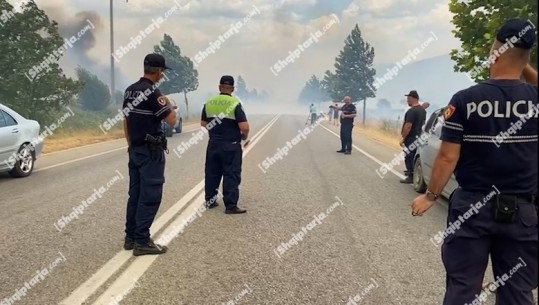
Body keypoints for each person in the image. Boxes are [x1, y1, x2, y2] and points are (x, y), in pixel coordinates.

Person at [410, 19, 538, 305]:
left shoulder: (466, 99)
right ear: (527, 58)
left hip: (472, 209)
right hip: (523, 213)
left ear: (494, 53)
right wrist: (521, 58)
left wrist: (430, 196)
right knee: (517, 292)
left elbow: (447, 155)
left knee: (463, 288)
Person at [123, 53, 176, 256]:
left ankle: (130, 237)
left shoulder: (129, 91)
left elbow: (126, 121)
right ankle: (142, 241)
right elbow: (171, 119)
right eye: (162, 71)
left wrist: (130, 146)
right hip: (151, 152)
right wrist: (168, 103)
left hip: (135, 149)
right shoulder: (152, 92)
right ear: (159, 71)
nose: (162, 75)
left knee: (134, 195)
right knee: (151, 195)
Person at [201, 75, 249, 214]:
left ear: (219, 87)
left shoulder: (209, 102)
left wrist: (216, 131)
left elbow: (203, 123)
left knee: (212, 172)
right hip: (231, 145)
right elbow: (244, 127)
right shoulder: (235, 103)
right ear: (232, 89)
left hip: (214, 144)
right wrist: (244, 136)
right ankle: (230, 206)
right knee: (231, 173)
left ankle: (210, 201)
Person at [399, 90, 426, 183]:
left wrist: (403, 137)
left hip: (411, 137)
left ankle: (411, 175)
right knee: (416, 156)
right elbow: (423, 124)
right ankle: (415, 174)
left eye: (408, 99)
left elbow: (408, 126)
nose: (407, 101)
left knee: (409, 156)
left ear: (412, 98)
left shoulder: (411, 111)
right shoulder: (423, 111)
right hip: (420, 136)